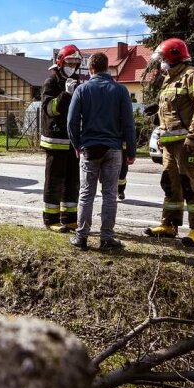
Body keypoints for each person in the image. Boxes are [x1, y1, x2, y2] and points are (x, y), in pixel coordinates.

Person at [143, 38, 194, 246]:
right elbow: (169, 112)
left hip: (187, 143)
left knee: (190, 184)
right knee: (170, 184)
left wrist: (193, 136)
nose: (161, 62)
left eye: (163, 58)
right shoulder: (169, 79)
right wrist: (161, 132)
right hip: (169, 143)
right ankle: (169, 224)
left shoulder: (193, 76)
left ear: (173, 57)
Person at [67, 52, 136, 251]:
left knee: (86, 194)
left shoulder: (82, 89)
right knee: (109, 194)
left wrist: (77, 144)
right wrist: (130, 151)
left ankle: (81, 237)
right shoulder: (120, 90)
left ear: (90, 69)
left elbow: (71, 122)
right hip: (114, 149)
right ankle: (107, 238)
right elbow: (129, 124)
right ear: (107, 67)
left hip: (89, 148)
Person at [40, 45, 82, 232]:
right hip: (55, 140)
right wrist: (65, 94)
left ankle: (69, 218)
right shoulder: (51, 82)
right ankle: (51, 220)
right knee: (54, 181)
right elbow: (50, 109)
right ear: (60, 62)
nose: (72, 66)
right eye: (69, 62)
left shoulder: (77, 82)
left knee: (73, 181)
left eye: (75, 63)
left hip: (73, 141)